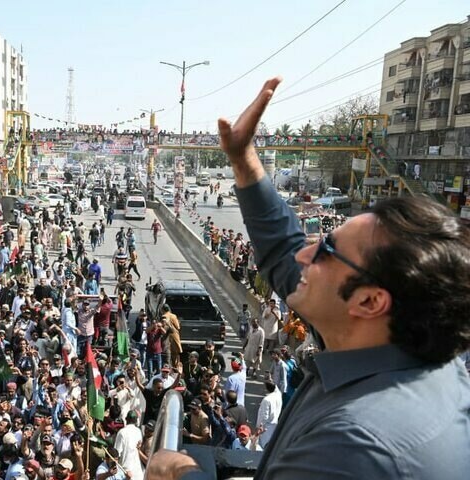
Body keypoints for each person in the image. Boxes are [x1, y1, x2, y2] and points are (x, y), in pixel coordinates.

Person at [149, 77, 470, 480]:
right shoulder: (407, 355)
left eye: (325, 251)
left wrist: (181, 472)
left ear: (369, 302)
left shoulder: (352, 447)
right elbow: (286, 251)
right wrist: (244, 158)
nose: (304, 253)